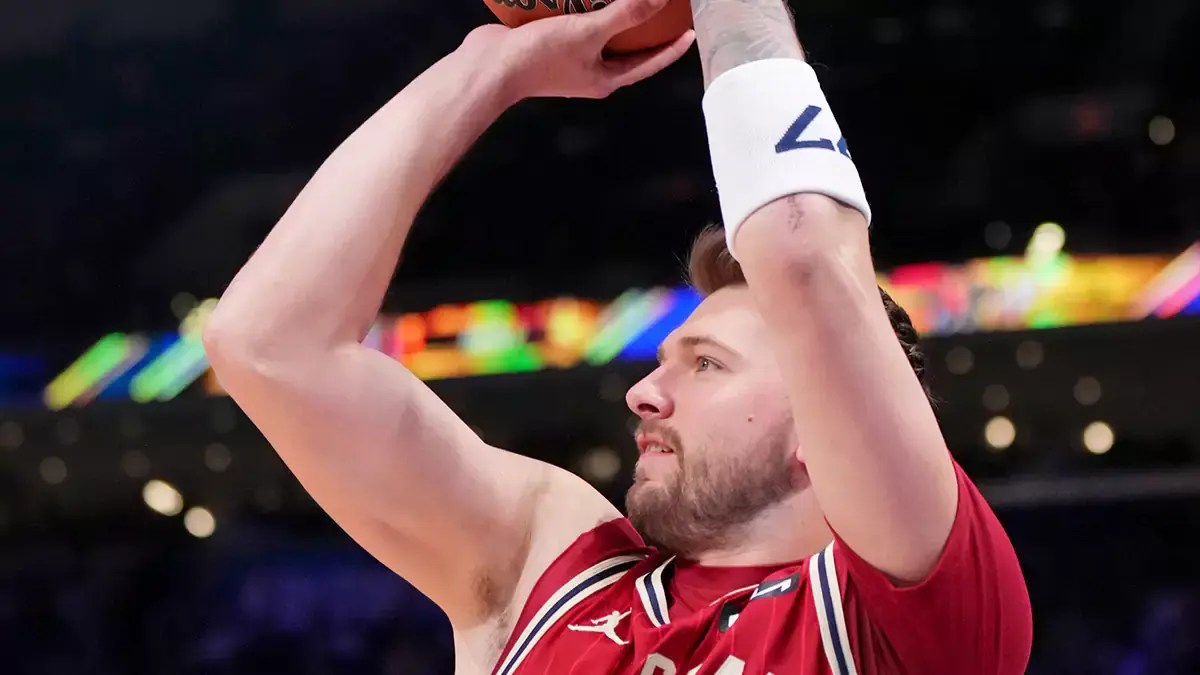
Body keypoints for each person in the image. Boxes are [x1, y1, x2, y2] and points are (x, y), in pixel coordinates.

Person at [203, 0, 1034, 672]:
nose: (644, 392)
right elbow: (269, 344)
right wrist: (490, 66)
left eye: (707, 364)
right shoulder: (553, 563)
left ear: (820, 427)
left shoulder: (908, 613)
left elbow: (802, 246)